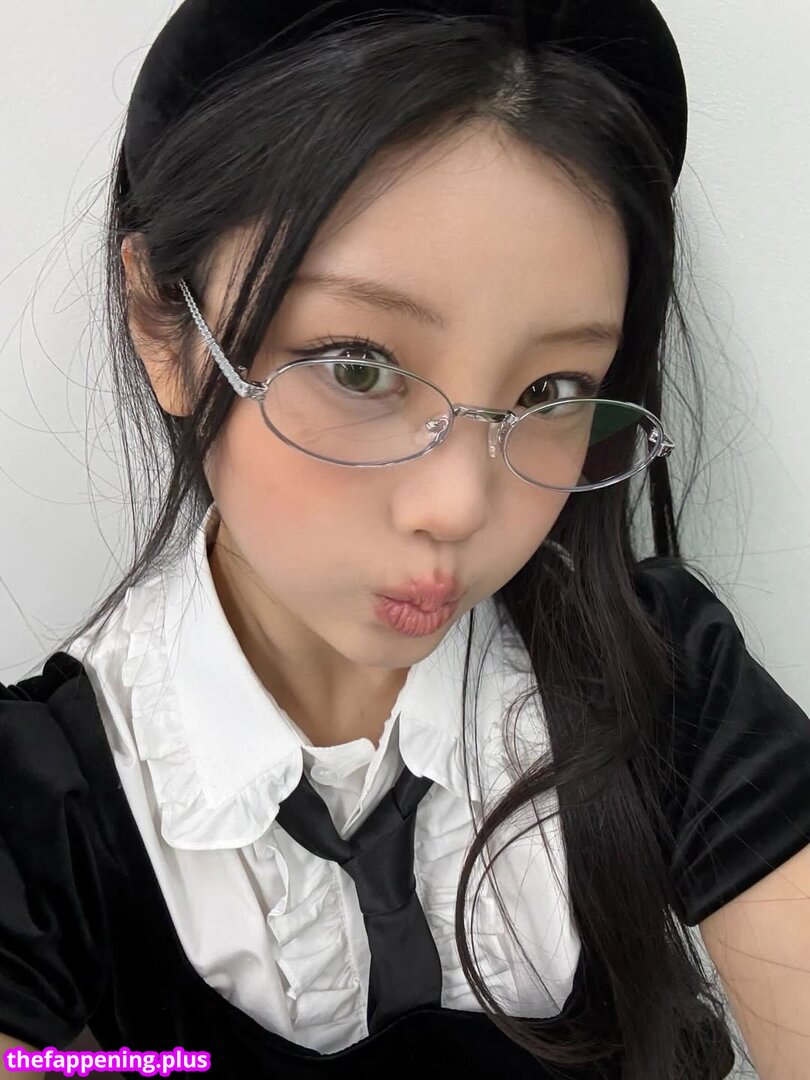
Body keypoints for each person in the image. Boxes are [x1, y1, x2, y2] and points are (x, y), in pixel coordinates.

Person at [1, 1, 809, 1077]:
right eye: (359, 366)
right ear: (162, 324)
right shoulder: (34, 820)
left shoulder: (662, 679)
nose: (460, 506)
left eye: (551, 391)